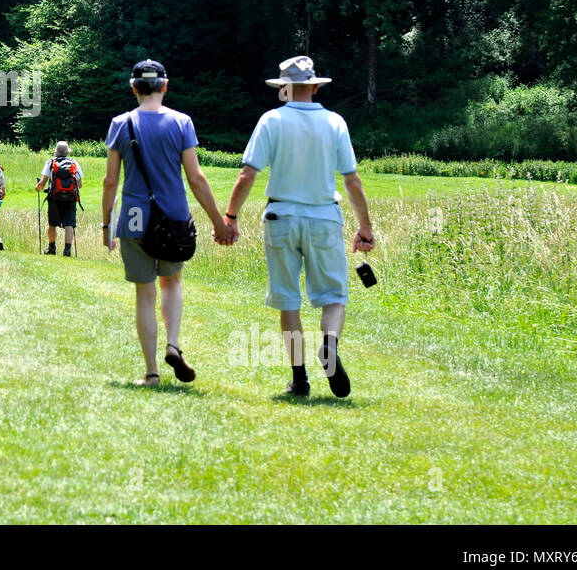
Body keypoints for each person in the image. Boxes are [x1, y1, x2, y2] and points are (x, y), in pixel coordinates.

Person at [222, 56, 375, 399]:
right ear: (317, 86)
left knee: (288, 301)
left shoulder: (271, 120)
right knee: (334, 296)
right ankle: (329, 347)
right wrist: (365, 230)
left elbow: (247, 175)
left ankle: (299, 378)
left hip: (281, 218)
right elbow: (353, 182)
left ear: (283, 88)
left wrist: (230, 218)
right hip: (324, 217)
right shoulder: (335, 122)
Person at [102, 59, 231, 386]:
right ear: (164, 85)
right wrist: (218, 221)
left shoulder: (120, 124)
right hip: (173, 215)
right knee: (171, 283)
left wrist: (106, 225)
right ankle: (173, 344)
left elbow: (109, 182)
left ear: (134, 87)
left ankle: (152, 373)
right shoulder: (182, 122)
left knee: (144, 294)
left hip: (133, 217)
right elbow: (196, 178)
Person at [36, 140, 83, 256]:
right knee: (69, 224)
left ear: (56, 152)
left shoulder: (50, 162)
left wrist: (37, 187)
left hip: (54, 198)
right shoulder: (74, 163)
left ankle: (52, 248)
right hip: (70, 198)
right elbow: (80, 185)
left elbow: (42, 183)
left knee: (52, 223)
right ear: (67, 152)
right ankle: (67, 251)